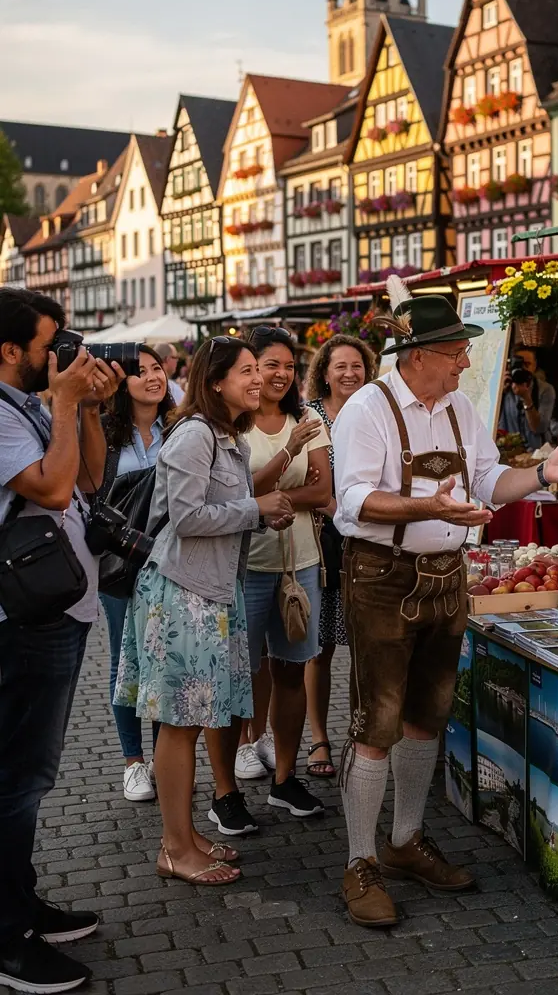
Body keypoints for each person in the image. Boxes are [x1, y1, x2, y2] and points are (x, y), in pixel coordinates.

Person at [331, 278, 558, 927]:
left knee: (428, 716)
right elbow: (353, 503)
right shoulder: (366, 411)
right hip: (383, 577)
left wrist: (541, 476)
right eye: (456, 350)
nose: (466, 361)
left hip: (447, 577)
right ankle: (359, 862)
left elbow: (489, 480)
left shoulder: (459, 411)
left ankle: (404, 842)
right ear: (419, 354)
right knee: (377, 723)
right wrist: (428, 505)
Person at [113, 337, 294, 885]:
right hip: (181, 594)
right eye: (246, 372)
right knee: (178, 724)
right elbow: (188, 517)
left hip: (209, 592)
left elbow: (217, 511)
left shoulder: (224, 434)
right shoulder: (194, 434)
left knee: (189, 723)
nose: (257, 379)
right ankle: (173, 847)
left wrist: (258, 515)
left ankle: (187, 836)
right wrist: (255, 508)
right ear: (215, 382)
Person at [0, 288, 122, 995]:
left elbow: (87, 476)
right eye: (52, 344)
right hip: (23, 621)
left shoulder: (27, 402)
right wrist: (68, 404)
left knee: (30, 778)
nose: (64, 353)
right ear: (11, 351)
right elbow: (49, 489)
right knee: (15, 781)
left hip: (59, 610)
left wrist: (89, 407)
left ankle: (22, 904)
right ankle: (6, 937)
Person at [238, 327, 332, 817]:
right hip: (246, 567)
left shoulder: (308, 416)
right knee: (240, 671)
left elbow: (323, 494)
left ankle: (285, 777)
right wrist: (290, 454)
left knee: (292, 670)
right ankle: (226, 788)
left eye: (289, 366)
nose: (280, 374)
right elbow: (235, 491)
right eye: (270, 364)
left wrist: (267, 500)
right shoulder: (233, 421)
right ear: (249, 367)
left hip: (301, 565)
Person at [99, 346, 175, 803]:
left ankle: (165, 757)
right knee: (124, 659)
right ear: (120, 383)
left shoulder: (181, 426)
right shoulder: (106, 433)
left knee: (164, 658)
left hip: (172, 559)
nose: (152, 378)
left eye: (157, 369)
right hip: (120, 562)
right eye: (139, 372)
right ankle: (133, 763)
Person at [304, 333, 377, 778]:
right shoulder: (310, 418)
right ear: (324, 373)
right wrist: (346, 513)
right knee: (321, 647)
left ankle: (361, 733)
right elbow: (315, 486)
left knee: (366, 646)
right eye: (341, 366)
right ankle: (318, 738)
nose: (350, 374)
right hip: (322, 543)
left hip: (366, 541)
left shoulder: (374, 412)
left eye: (357, 366)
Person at [498, 353, 556, 449]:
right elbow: (492, 423)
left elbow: (539, 428)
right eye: (518, 364)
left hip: (538, 452)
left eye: (527, 364)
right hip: (510, 451)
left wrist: (526, 397)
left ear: (535, 365)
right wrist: (500, 392)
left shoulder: (545, 389)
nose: (522, 369)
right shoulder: (504, 387)